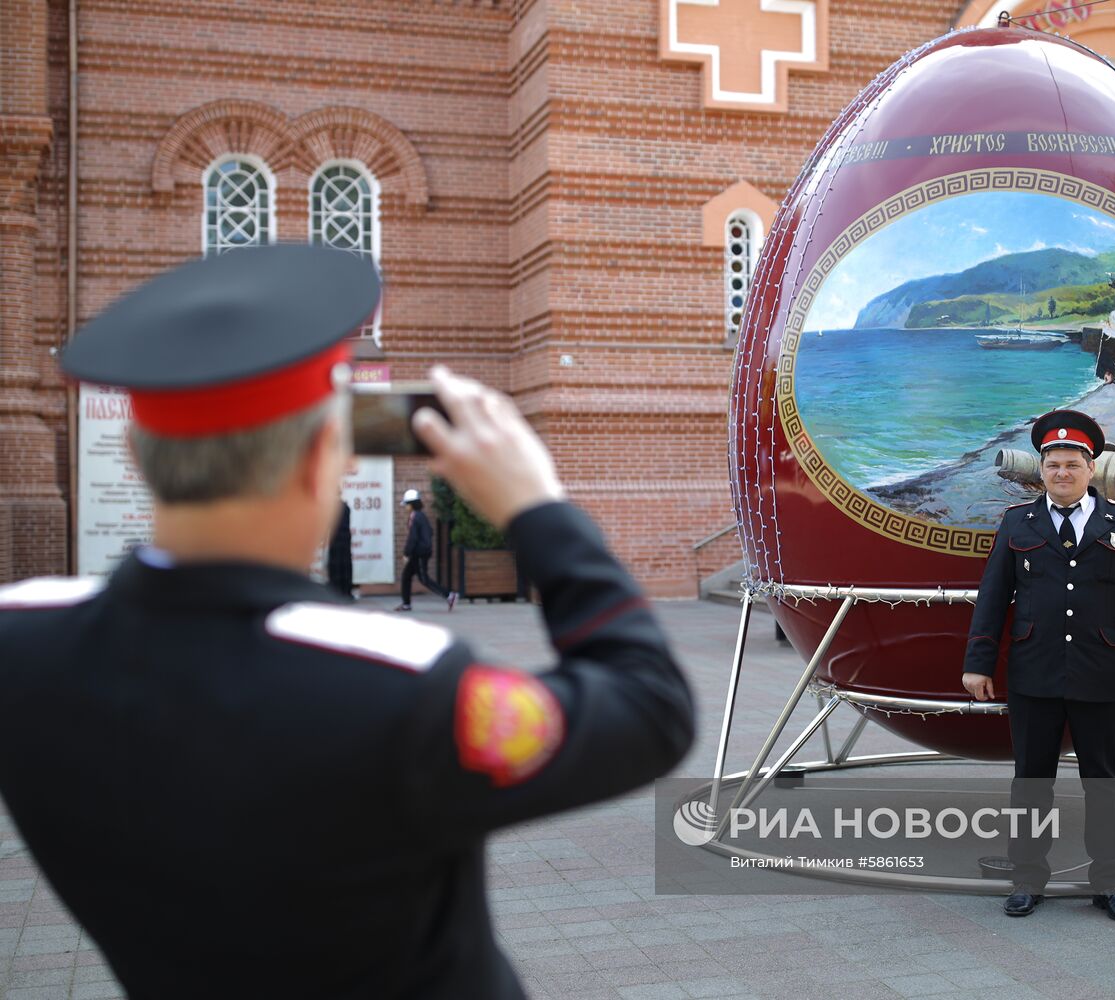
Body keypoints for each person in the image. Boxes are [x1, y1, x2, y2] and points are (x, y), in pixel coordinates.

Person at [0, 244, 695, 999]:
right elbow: (648, 705)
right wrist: (538, 506)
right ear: (322, 458)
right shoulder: (403, 685)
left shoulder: (24, 644)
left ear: (137, 454)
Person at [961, 409, 1115, 924]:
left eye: (1072, 464)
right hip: (1034, 674)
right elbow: (993, 598)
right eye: (1052, 464)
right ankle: (1028, 879)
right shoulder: (1017, 523)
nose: (1061, 473)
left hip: (1100, 673)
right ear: (1041, 470)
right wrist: (978, 662)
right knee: (1032, 780)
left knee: (1104, 781)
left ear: (1091, 467)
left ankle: (1108, 885)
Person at [396, 488, 456, 611]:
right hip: (420, 552)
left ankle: (449, 596)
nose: (405, 507)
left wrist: (407, 553)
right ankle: (406, 604)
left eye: (406, 504)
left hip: (419, 553)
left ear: (411, 504)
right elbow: (430, 531)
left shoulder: (415, 517)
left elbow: (413, 537)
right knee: (406, 576)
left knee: (424, 579)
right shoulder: (421, 516)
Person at [327, 492, 353, 600]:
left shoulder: (331, 507)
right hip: (346, 537)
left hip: (336, 537)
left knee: (335, 566)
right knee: (345, 565)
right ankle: (346, 592)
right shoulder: (346, 507)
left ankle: (335, 592)